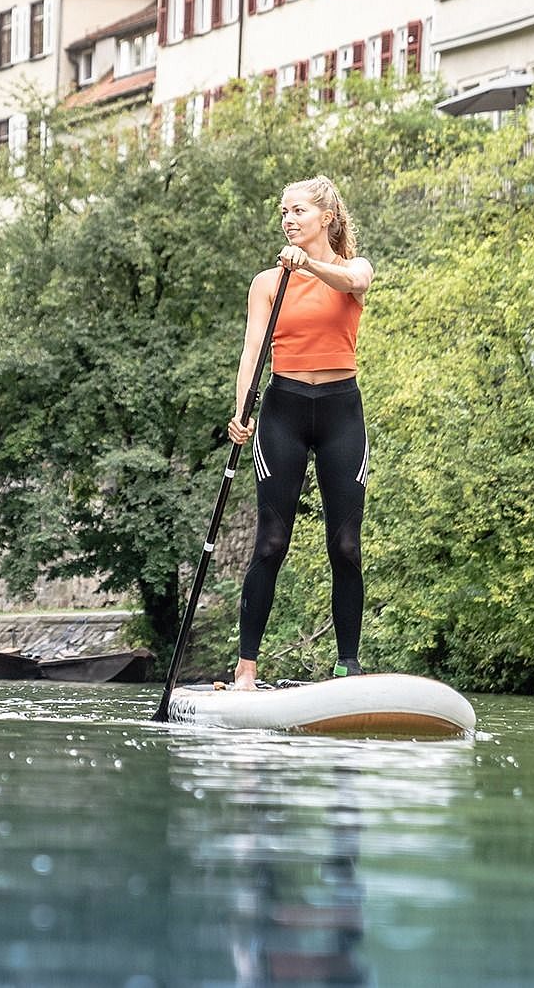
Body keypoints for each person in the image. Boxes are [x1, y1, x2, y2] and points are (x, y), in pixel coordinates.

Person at [224, 176, 374, 691]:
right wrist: (242, 407)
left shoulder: (354, 268)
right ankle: (246, 668)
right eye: (283, 212)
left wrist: (309, 264)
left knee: (346, 544)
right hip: (284, 411)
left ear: (325, 218)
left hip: (341, 415)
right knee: (270, 541)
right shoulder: (268, 282)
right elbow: (252, 352)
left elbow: (353, 284)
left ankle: (347, 666)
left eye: (298, 211)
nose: (287, 219)